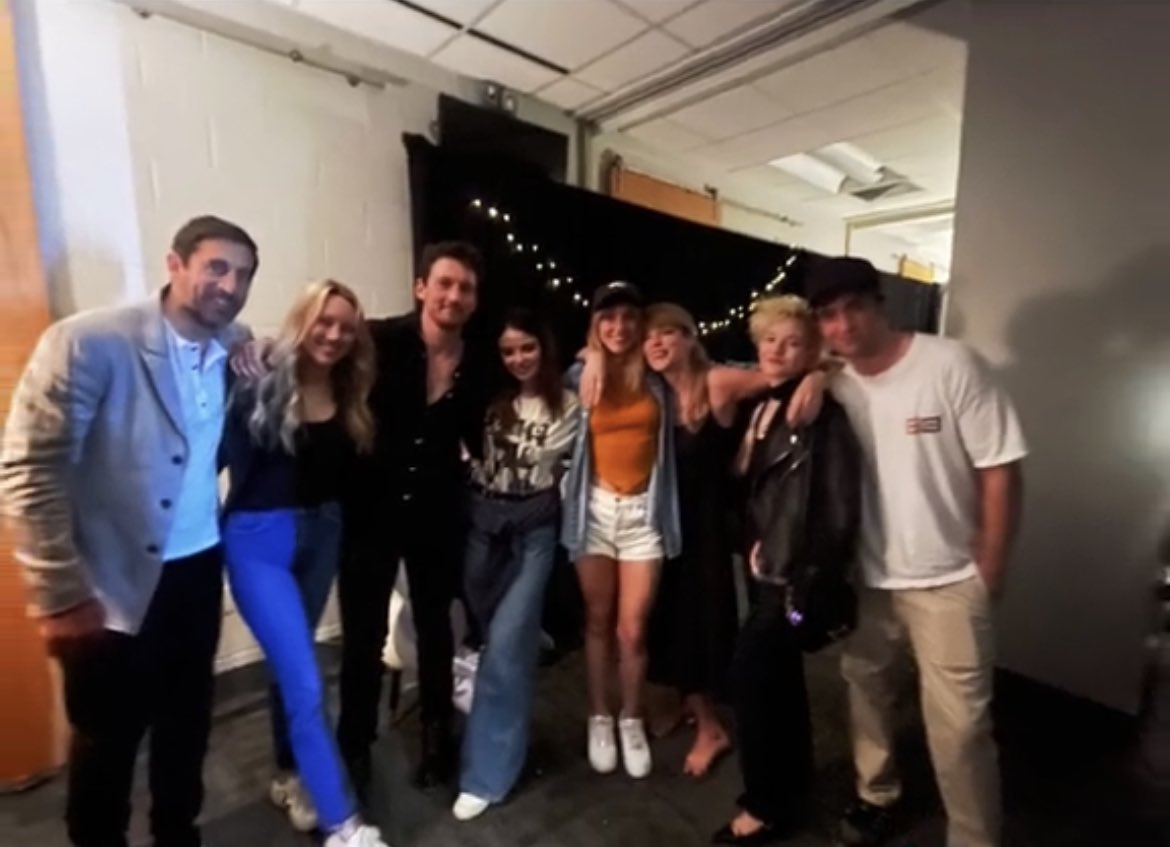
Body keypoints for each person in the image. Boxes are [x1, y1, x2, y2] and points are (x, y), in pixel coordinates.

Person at [0, 216, 257, 847]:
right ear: (174, 264)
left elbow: (265, 363)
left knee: (187, 727)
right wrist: (59, 593)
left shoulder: (235, 341)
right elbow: (28, 469)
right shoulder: (90, 342)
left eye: (244, 274)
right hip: (110, 586)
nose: (230, 284)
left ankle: (178, 833)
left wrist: (268, 354)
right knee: (107, 743)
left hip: (198, 570)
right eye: (216, 267)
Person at [810, 257, 1026, 847]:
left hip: (950, 579)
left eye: (853, 307)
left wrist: (992, 564)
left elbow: (1000, 466)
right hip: (869, 578)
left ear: (880, 305)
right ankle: (876, 796)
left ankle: (974, 836)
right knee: (865, 693)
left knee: (960, 728)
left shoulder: (949, 364)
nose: (843, 324)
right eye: (827, 315)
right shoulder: (835, 384)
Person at [220, 280, 389, 847]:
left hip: (324, 533)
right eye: (325, 321)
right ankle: (345, 824)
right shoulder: (259, 376)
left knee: (290, 671)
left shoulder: (351, 388)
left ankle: (290, 774)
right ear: (304, 319)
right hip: (257, 541)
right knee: (308, 680)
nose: (335, 335)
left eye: (346, 326)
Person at [335, 241, 492, 792]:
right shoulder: (376, 340)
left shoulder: (479, 362)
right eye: (444, 283)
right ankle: (353, 746)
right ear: (421, 287)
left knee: (435, 630)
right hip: (370, 511)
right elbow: (315, 355)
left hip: (437, 512)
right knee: (362, 636)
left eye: (465, 288)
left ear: (474, 302)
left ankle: (434, 735)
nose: (454, 295)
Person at [713, 294, 862, 845]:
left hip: (788, 572)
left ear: (811, 350)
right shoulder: (767, 402)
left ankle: (765, 805)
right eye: (770, 339)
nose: (778, 350)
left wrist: (799, 564)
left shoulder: (820, 412)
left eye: (793, 342)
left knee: (751, 681)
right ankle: (791, 793)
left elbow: (839, 507)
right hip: (762, 565)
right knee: (780, 685)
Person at [451, 308, 580, 821]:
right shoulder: (494, 403)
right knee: (493, 634)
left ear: (544, 347)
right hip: (484, 527)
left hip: (534, 533)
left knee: (504, 652)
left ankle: (486, 776)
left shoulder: (571, 404)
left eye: (527, 347)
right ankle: (528, 639)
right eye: (509, 350)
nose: (519, 358)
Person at [640, 303, 770, 777]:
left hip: (710, 527)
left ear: (691, 337)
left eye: (667, 333)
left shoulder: (717, 382)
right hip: (667, 527)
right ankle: (692, 704)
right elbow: (586, 358)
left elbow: (784, 373)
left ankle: (712, 725)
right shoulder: (654, 391)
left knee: (704, 625)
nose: (655, 343)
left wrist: (816, 377)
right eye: (648, 337)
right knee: (670, 622)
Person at [560, 281, 681, 780]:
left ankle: (631, 716)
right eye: (607, 318)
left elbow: (719, 371)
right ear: (595, 324)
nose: (619, 327)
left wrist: (818, 373)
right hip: (592, 511)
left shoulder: (657, 379)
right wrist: (588, 358)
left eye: (629, 317)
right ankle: (599, 715)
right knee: (596, 620)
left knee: (632, 630)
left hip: (642, 517)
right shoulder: (578, 375)